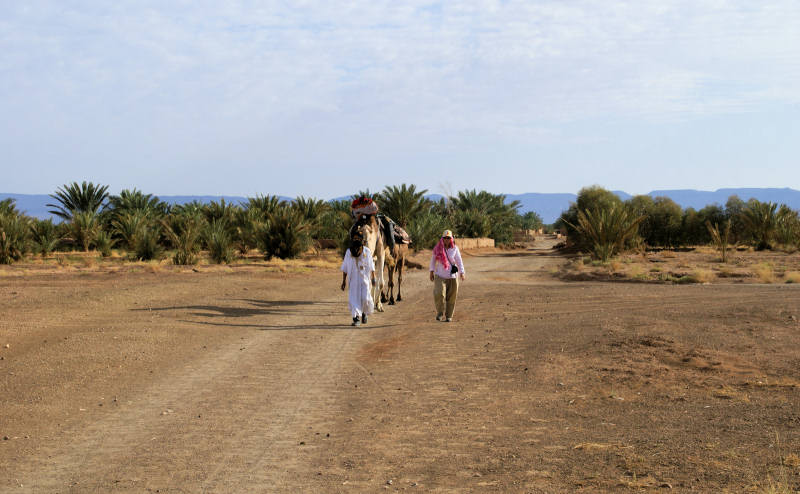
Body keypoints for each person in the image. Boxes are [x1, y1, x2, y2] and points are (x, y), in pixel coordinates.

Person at [429, 230, 466, 322]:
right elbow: (433, 260)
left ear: (451, 239)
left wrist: (462, 272)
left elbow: (459, 260)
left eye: (448, 238)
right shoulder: (437, 248)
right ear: (442, 239)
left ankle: (449, 316)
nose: (447, 240)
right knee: (439, 294)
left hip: (452, 276)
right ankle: (440, 313)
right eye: (445, 238)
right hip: (440, 275)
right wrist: (431, 271)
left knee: (452, 297)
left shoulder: (455, 249)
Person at [341, 233, 375, 326]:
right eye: (354, 238)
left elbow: (371, 265)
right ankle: (356, 319)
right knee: (354, 299)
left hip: (365, 280)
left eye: (358, 239)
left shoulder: (367, 251)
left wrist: (373, 278)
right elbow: (345, 267)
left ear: (362, 241)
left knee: (365, 298)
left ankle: (364, 313)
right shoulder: (349, 252)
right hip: (353, 281)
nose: (356, 240)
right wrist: (343, 281)